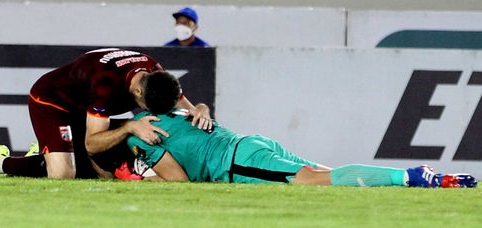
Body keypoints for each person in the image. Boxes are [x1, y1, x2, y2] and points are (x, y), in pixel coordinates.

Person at [125, 71, 477, 188]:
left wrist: (141, 176)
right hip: (250, 143)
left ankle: (413, 176)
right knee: (326, 178)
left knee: (314, 179)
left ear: (145, 103)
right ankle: (416, 178)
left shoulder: (148, 133)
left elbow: (180, 185)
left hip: (235, 163)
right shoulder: (183, 112)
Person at [0, 48, 212, 180]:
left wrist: (201, 108)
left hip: (85, 107)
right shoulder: (105, 84)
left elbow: (185, 105)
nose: (147, 110)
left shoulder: (154, 73)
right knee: (62, 174)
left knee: (101, 173)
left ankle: (52, 148)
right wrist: (130, 127)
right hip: (52, 102)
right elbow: (93, 144)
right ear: (137, 90)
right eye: (145, 105)